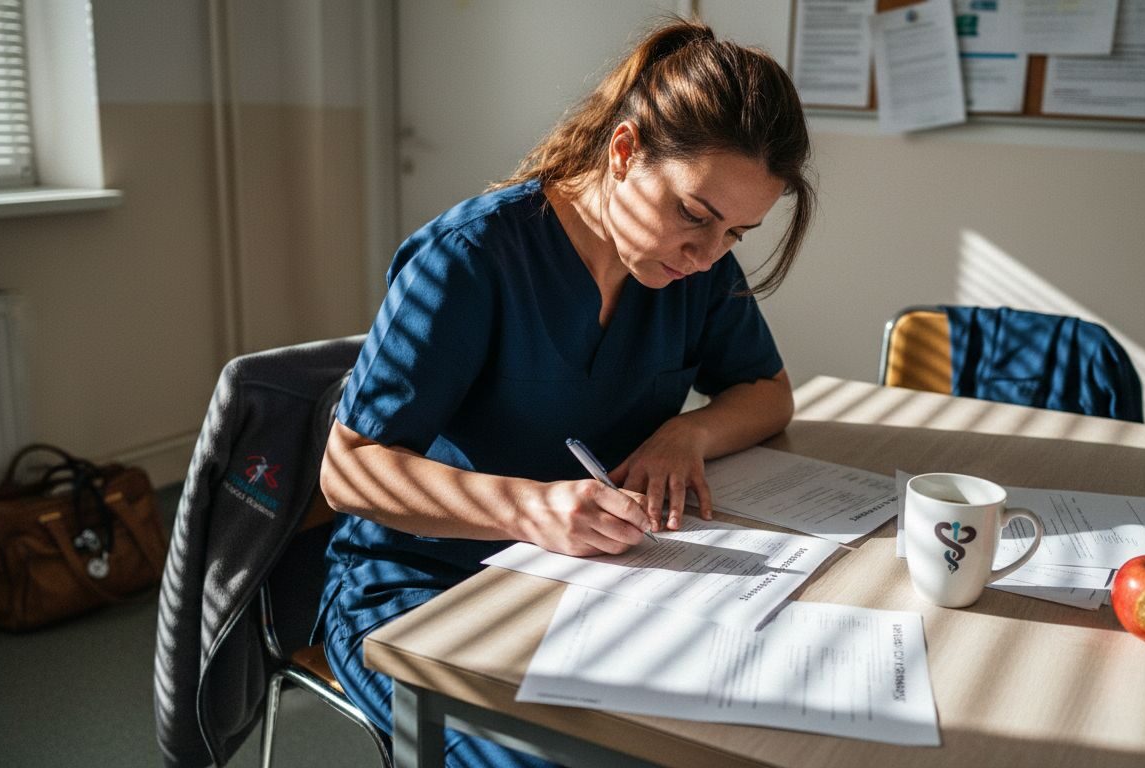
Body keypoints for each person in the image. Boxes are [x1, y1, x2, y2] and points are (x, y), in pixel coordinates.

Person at [317, 16, 813, 768]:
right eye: (695, 216)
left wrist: (689, 432)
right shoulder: (469, 260)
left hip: (592, 575)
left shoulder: (692, 269)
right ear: (625, 151)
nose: (708, 256)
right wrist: (531, 509)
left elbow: (769, 392)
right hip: (422, 588)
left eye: (735, 235)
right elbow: (348, 470)